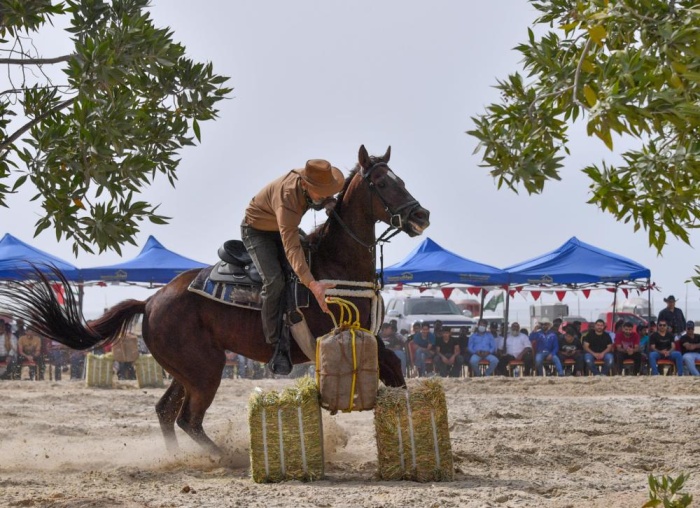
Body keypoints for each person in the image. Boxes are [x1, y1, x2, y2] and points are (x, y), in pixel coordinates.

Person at [241, 159, 344, 371]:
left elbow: (320, 196)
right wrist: (313, 284)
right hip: (258, 232)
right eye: (321, 193)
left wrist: (327, 202)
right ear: (305, 186)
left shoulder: (312, 179)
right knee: (274, 281)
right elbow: (291, 248)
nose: (325, 196)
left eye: (328, 192)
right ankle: (275, 343)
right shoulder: (287, 199)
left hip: (282, 227)